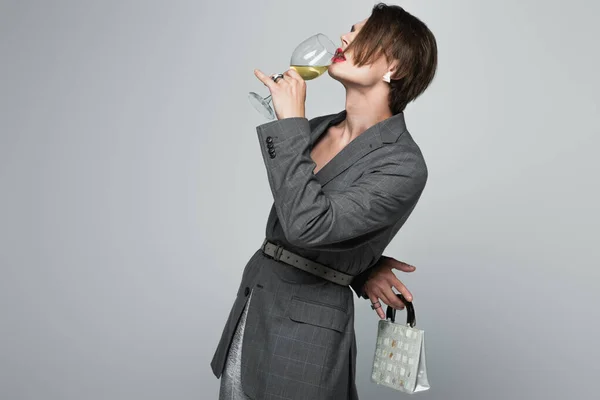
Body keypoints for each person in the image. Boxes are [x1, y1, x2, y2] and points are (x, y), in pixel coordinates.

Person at [210, 3, 438, 399]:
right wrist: (361, 267)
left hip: (304, 341)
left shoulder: (403, 164)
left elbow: (308, 224)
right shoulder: (317, 129)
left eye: (363, 35)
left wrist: (289, 124)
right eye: (350, 29)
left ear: (394, 68)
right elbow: (300, 226)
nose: (345, 37)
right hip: (252, 315)